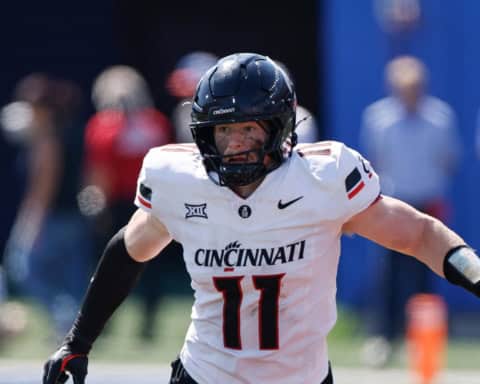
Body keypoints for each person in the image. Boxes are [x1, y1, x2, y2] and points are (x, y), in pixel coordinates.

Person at [42, 53, 479, 384]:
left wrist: (473, 269)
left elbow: (417, 234)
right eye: (224, 129)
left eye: (249, 128)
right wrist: (77, 342)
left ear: (279, 127)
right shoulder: (180, 181)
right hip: (205, 374)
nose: (235, 143)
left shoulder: (322, 179)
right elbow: (128, 252)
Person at [359, 55, 461, 365]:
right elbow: (373, 161)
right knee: (387, 275)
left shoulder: (440, 117)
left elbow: (448, 160)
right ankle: (383, 339)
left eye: (415, 87)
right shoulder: (378, 118)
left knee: (426, 276)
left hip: (427, 204)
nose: (410, 93)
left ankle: (422, 340)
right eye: (404, 87)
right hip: (392, 204)